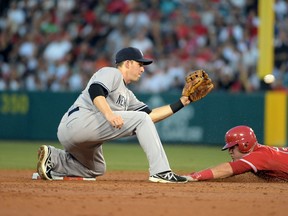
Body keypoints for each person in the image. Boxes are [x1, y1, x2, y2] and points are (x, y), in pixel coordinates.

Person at [37, 47, 191, 183]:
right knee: (141, 119)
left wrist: (183, 101)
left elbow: (149, 117)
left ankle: (54, 158)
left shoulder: (128, 95)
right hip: (79, 122)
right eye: (140, 64)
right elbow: (96, 90)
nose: (143, 69)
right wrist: (109, 114)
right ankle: (161, 171)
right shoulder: (111, 73)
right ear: (128, 63)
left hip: (80, 136)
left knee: (96, 169)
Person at [185, 125, 288, 182]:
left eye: (232, 147)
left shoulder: (258, 157)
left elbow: (225, 170)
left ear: (245, 145)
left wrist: (194, 176)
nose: (229, 151)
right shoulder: (260, 152)